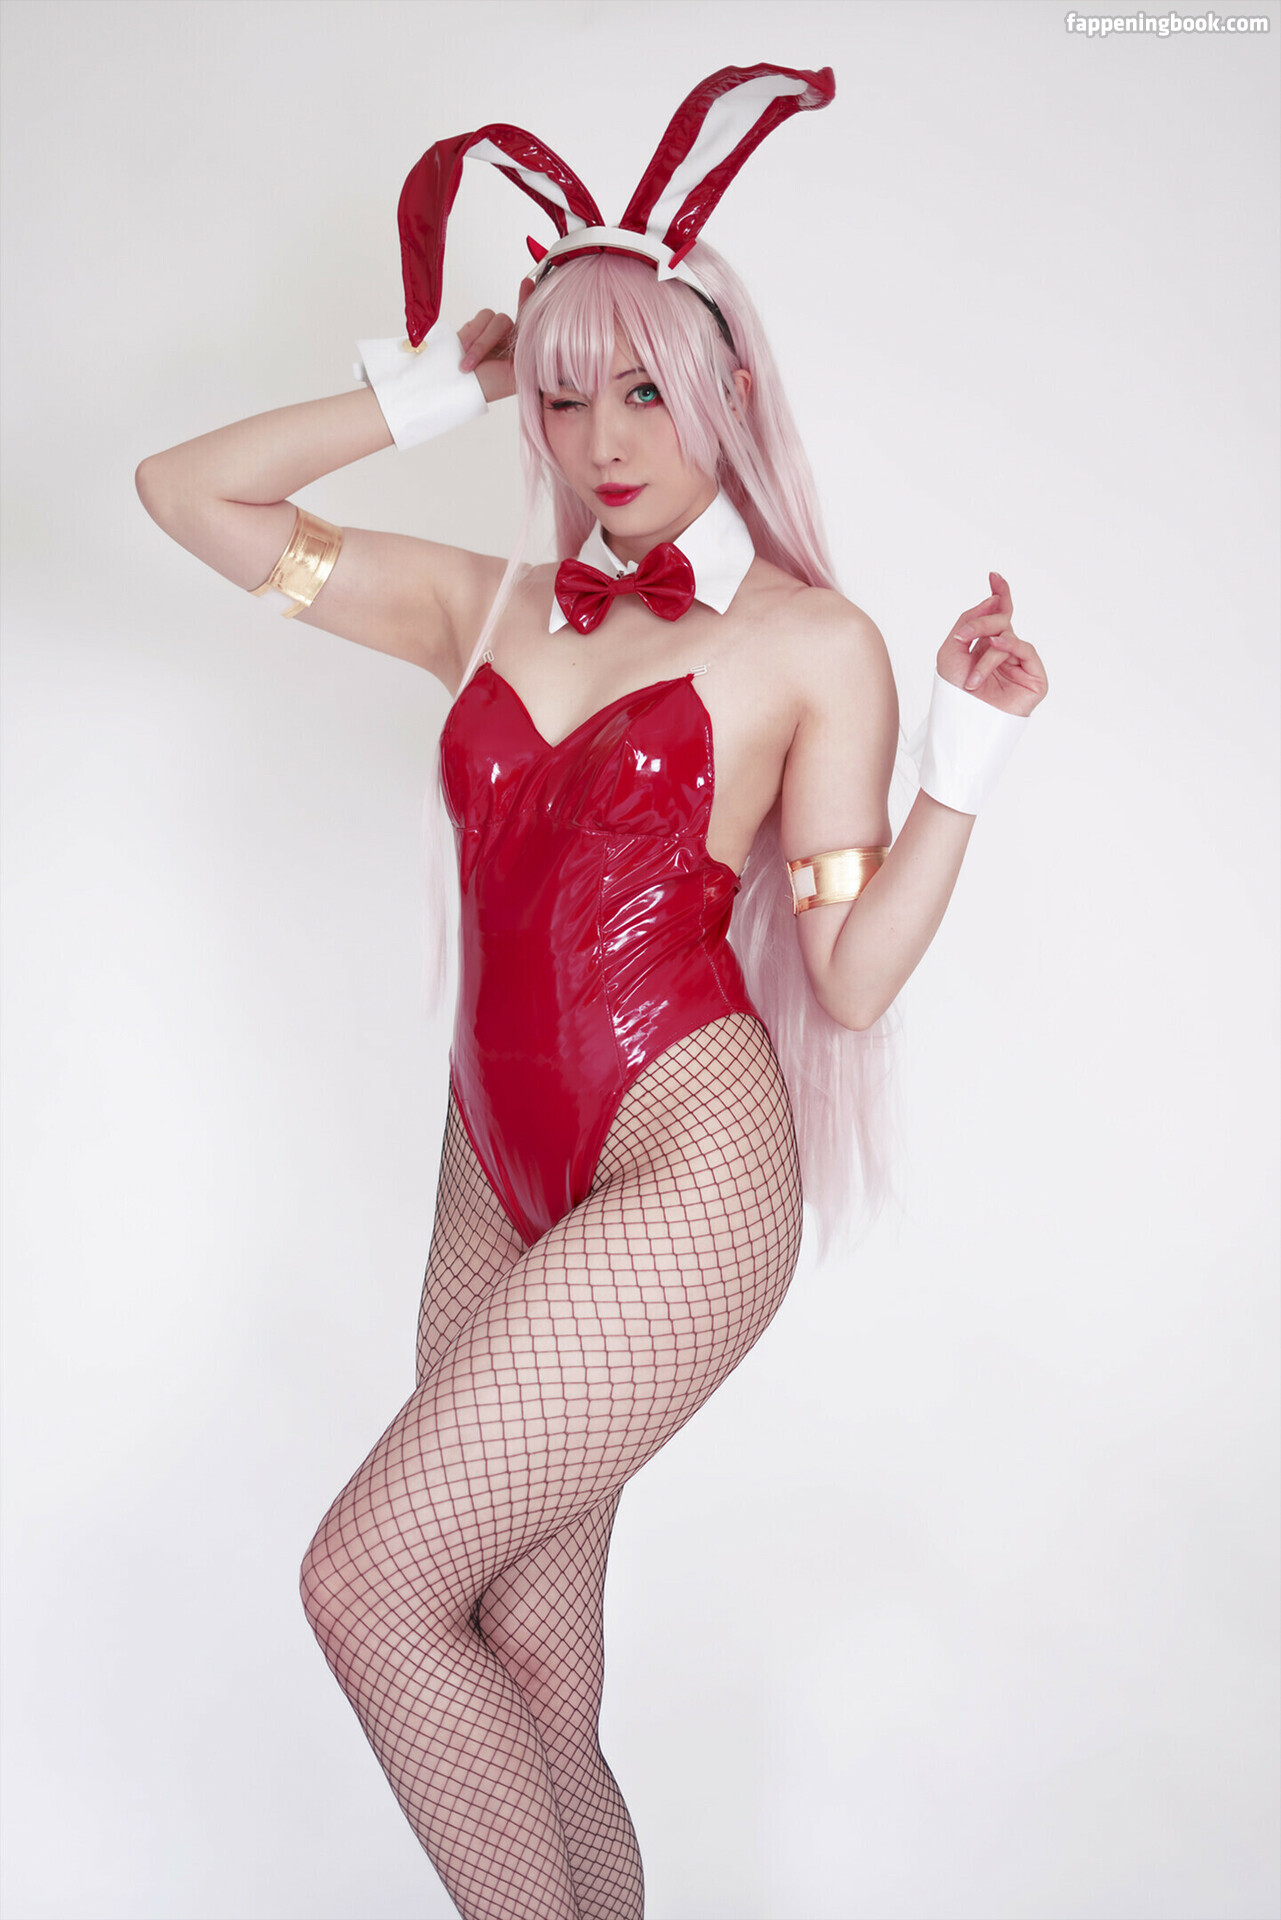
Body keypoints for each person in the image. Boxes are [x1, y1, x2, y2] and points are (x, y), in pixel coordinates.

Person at [135, 62, 1047, 1920]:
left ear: (728, 394)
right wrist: (436, 384)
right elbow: (185, 491)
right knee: (531, 1663)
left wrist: (964, 759)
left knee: (368, 1586)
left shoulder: (811, 644)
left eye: (644, 389)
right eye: (565, 396)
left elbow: (849, 977)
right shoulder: (472, 607)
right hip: (492, 1164)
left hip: (681, 1165)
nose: (603, 439)